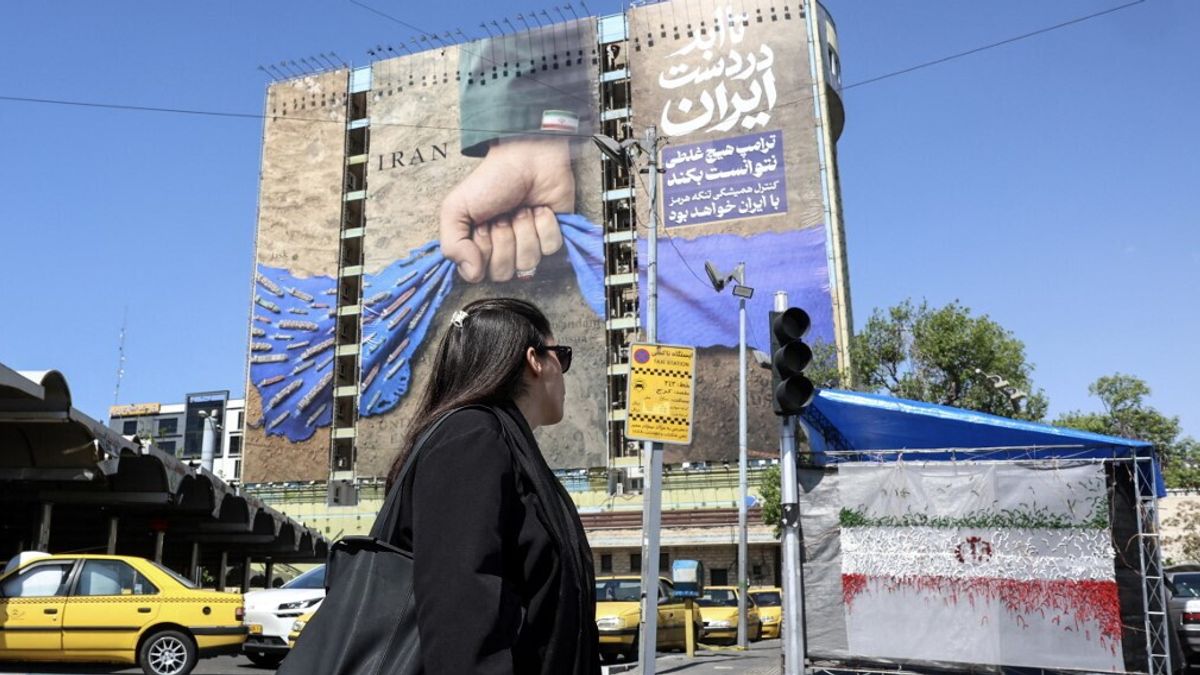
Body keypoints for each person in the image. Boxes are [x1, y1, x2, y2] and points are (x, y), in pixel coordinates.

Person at [385, 297, 600, 675]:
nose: (563, 372)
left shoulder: (500, 444)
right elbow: (461, 614)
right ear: (535, 360)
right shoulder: (471, 437)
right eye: (561, 356)